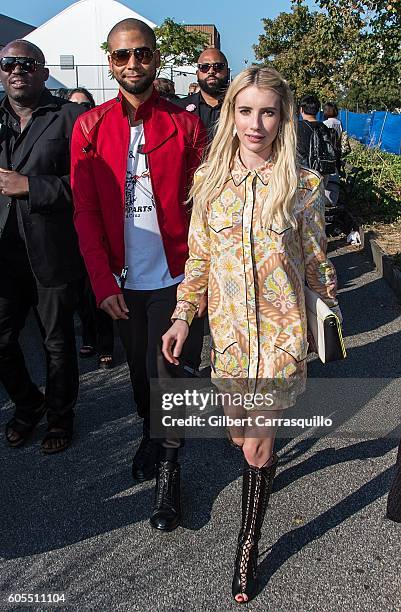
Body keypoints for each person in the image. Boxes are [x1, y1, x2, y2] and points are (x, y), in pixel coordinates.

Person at [162, 66, 341, 603]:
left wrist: (328, 315)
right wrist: (182, 315)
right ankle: (260, 460)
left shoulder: (302, 186)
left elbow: (315, 260)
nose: (256, 123)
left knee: (257, 451)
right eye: (246, 111)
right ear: (231, 115)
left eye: (268, 111)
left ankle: (246, 554)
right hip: (231, 341)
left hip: (282, 342)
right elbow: (198, 260)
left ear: (283, 116)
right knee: (240, 438)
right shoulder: (209, 183)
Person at [71, 18, 207, 530]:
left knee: (170, 375)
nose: (133, 64)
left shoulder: (185, 124)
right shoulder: (88, 126)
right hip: (122, 283)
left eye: (143, 54)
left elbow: (204, 206)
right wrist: (102, 282)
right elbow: (83, 210)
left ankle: (170, 471)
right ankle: (150, 434)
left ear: (155, 59)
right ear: (110, 62)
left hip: (177, 277)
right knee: (138, 375)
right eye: (123, 56)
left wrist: (202, 280)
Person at [0, 40, 85, 453]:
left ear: (44, 71)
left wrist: (30, 187)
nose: (18, 70)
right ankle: (28, 403)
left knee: (56, 343)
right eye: (9, 63)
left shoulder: (69, 117)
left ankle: (59, 417)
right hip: (4, 257)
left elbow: (88, 188)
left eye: (27, 64)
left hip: (51, 252)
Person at [67, 87, 115, 368]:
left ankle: (106, 344)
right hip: (70, 228)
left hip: (102, 227)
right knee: (84, 293)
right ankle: (88, 336)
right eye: (74, 106)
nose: (80, 111)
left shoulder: (98, 133)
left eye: (85, 105)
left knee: (102, 288)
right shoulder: (70, 134)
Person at [176, 47, 230, 144]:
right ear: (197, 74)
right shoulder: (178, 109)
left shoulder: (240, 107)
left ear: (228, 71)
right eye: (204, 67)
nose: (211, 71)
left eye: (218, 66)